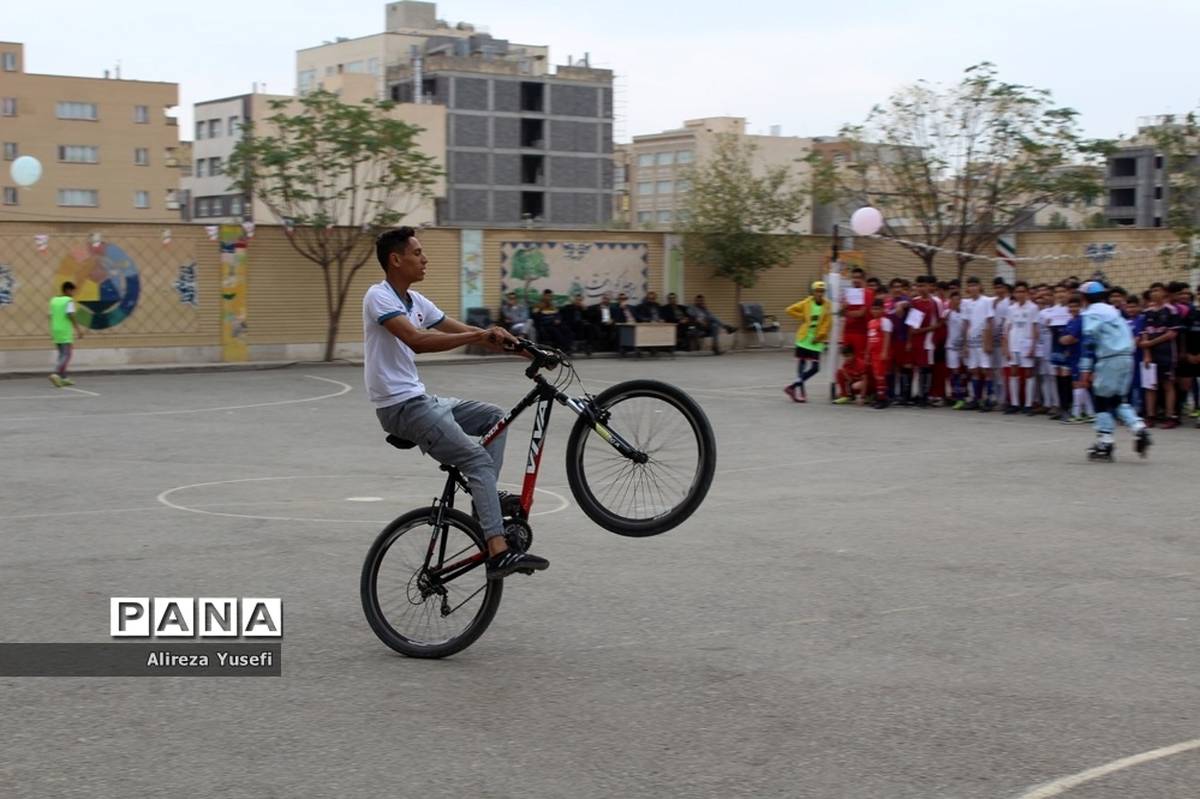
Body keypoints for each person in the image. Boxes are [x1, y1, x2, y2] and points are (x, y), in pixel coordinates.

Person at [364, 227, 549, 580]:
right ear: (396, 259)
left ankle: (485, 509)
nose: (425, 258)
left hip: (422, 400)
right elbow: (417, 340)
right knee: (477, 460)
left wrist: (527, 349)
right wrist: (481, 334)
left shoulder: (417, 302)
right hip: (400, 408)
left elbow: (462, 330)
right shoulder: (379, 297)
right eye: (418, 252)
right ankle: (497, 549)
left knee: (496, 418)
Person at [1076, 281, 1151, 459]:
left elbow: (1088, 341)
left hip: (1110, 358)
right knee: (1117, 400)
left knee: (1101, 400)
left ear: (1085, 298)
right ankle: (1139, 428)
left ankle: (1105, 442)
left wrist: (1085, 369)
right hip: (1127, 357)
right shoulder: (1114, 311)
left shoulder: (1091, 313)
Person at [1138, 282, 1179, 428]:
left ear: (1164, 293)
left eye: (1157, 290)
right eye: (1152, 290)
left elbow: (1172, 333)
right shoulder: (1147, 312)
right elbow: (1144, 335)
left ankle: (1170, 416)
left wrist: (1152, 342)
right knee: (1150, 386)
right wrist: (1147, 353)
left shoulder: (1171, 310)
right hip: (1152, 354)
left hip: (1167, 353)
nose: (1154, 293)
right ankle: (1150, 416)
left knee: (1167, 384)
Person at [783, 281, 831, 402]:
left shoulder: (827, 305)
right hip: (804, 339)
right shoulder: (806, 303)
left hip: (816, 341)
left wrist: (820, 336)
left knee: (815, 368)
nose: (820, 293)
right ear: (813, 292)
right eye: (817, 291)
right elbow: (789, 310)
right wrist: (802, 317)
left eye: (822, 291)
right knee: (802, 366)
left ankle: (792, 387)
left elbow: (827, 323)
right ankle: (801, 393)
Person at [1002, 280, 1039, 415]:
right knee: (1013, 372)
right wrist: (1006, 347)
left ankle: (1028, 405)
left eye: (1022, 291)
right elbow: (1007, 329)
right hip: (1014, 343)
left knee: (1029, 373)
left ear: (1027, 293)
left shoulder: (1033, 308)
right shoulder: (1011, 309)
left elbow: (1035, 328)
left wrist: (1033, 346)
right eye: (1017, 291)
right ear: (1014, 293)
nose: (1020, 294)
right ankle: (1014, 403)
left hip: (1027, 344)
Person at [1058, 294, 1095, 423]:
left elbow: (1070, 338)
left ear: (1080, 307)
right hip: (1073, 356)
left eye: (1076, 306)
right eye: (1071, 306)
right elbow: (1063, 339)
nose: (1073, 309)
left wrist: (1066, 339)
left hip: (1081, 355)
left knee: (1078, 384)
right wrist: (1065, 340)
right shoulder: (1070, 321)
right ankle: (1090, 413)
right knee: (1079, 384)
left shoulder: (1081, 320)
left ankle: (1076, 414)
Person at [906, 275, 940, 407]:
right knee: (917, 368)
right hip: (917, 340)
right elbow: (912, 326)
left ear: (929, 286)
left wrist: (933, 330)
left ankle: (925, 396)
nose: (921, 289)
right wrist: (909, 341)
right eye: (918, 286)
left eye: (923, 286)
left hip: (928, 341)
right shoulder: (915, 302)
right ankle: (917, 395)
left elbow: (939, 321)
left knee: (926, 368)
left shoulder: (934, 303)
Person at [961, 276, 994, 411]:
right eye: (970, 285)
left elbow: (989, 322)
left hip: (982, 340)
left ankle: (988, 399)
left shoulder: (986, 301)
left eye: (975, 285)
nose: (973, 288)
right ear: (967, 288)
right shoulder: (966, 303)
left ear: (980, 286)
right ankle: (977, 398)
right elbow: (966, 324)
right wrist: (965, 344)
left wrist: (988, 342)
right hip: (972, 341)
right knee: (974, 370)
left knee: (985, 369)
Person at [48, 281, 84, 387]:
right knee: (67, 354)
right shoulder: (68, 301)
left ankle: (64, 378)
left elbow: (50, 315)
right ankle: (55, 373)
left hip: (55, 329)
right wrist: (78, 329)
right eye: (73, 291)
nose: (73, 293)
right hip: (65, 330)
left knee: (61, 354)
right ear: (68, 290)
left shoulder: (53, 300)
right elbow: (70, 314)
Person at [839, 267, 875, 360]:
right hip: (847, 331)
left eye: (858, 278)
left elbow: (861, 313)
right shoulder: (847, 293)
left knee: (859, 360)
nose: (856, 280)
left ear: (863, 279)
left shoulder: (868, 293)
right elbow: (840, 313)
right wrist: (843, 307)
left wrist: (846, 312)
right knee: (848, 360)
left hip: (861, 333)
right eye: (854, 277)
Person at [865, 298, 893, 409]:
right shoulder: (871, 323)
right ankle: (880, 397)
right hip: (873, 353)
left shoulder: (885, 321)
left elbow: (887, 337)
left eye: (877, 309)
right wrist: (867, 353)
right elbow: (869, 339)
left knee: (880, 376)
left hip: (880, 352)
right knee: (876, 376)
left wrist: (884, 352)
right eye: (873, 309)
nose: (875, 311)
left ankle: (882, 399)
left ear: (882, 309)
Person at [944, 290, 968, 409]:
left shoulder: (965, 314)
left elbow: (966, 329)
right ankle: (958, 397)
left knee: (965, 371)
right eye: (953, 299)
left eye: (958, 299)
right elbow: (941, 322)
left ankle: (966, 395)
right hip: (951, 347)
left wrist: (965, 344)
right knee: (955, 371)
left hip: (963, 347)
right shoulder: (947, 313)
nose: (956, 302)